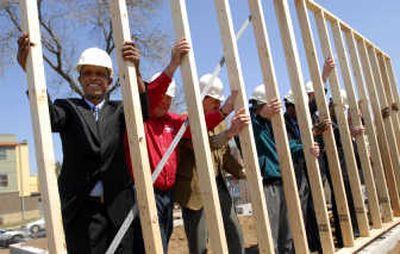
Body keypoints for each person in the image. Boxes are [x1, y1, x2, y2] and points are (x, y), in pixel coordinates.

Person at [17, 33, 146, 253]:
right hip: (81, 211)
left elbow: (143, 110)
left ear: (109, 80)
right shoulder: (67, 107)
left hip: (119, 209)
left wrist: (136, 71)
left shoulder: (119, 110)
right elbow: (46, 117)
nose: (93, 78)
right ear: (80, 79)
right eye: (87, 73)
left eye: (99, 73)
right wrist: (29, 70)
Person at [123, 40, 241, 253]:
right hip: (146, 192)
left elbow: (198, 125)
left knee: (164, 243)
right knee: (153, 245)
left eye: (170, 99)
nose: (165, 103)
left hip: (167, 195)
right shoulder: (143, 118)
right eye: (162, 98)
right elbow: (150, 96)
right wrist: (173, 64)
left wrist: (224, 111)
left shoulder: (173, 122)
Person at [175, 73, 248, 254]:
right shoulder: (185, 121)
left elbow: (224, 156)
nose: (218, 104)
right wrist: (229, 133)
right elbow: (202, 145)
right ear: (202, 98)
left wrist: (243, 172)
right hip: (195, 191)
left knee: (234, 232)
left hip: (218, 184)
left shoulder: (220, 124)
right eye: (214, 100)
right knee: (199, 242)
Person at [250, 84, 320, 253]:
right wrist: (259, 112)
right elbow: (248, 121)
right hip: (267, 183)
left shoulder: (272, 124)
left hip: (283, 179)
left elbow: (285, 144)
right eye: (270, 104)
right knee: (271, 233)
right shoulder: (253, 124)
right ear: (261, 105)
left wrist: (306, 146)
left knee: (286, 232)